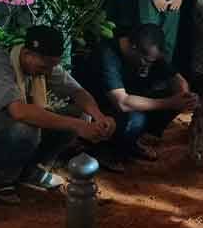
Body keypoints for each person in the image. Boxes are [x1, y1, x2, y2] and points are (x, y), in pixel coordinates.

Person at [0, 26, 115, 204]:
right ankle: (1, 180)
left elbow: (77, 92)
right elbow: (19, 112)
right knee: (27, 128)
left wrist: (99, 117)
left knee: (78, 114)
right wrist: (77, 126)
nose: (48, 72)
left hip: (18, 132)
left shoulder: (43, 65)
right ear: (27, 54)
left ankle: (29, 171)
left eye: (53, 66)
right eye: (45, 66)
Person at [82, 23, 197, 170]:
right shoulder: (106, 55)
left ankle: (130, 144)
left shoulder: (149, 51)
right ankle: (105, 150)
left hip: (130, 102)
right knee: (136, 118)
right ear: (134, 48)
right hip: (99, 112)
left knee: (173, 97)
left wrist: (186, 96)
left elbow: (178, 79)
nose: (149, 66)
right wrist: (170, 103)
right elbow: (122, 102)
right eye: (147, 61)